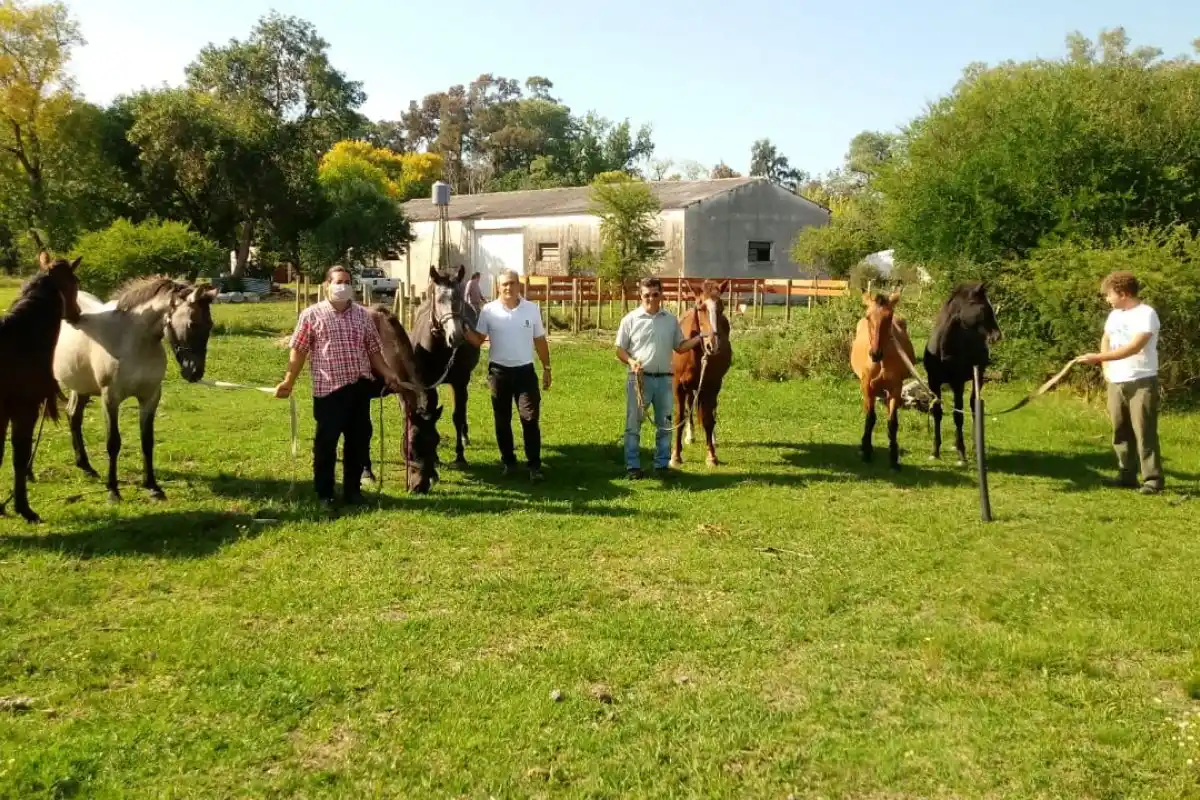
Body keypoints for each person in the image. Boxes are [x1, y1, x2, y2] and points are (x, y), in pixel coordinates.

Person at [276, 266, 403, 510]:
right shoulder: (311, 315)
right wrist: (289, 381)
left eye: (347, 281)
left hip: (359, 388)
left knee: (358, 442)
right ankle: (325, 493)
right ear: (327, 285)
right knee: (326, 443)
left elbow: (373, 351)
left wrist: (388, 373)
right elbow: (299, 350)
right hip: (329, 391)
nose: (343, 286)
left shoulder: (362, 316)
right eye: (338, 281)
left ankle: (353, 491)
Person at [1077, 270, 1163, 495]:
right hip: (1116, 381)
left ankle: (1152, 480)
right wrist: (1106, 367)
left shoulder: (1146, 314)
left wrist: (1098, 358)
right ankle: (1126, 476)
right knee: (1120, 430)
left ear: (1123, 293)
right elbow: (1106, 338)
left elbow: (1134, 347)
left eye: (1109, 294)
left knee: (1144, 431)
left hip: (1141, 380)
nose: (1107, 299)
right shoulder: (1115, 315)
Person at [615, 276, 711, 479]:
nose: (651, 299)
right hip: (639, 380)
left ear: (661, 295)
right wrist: (631, 362)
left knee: (665, 425)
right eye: (646, 295)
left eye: (655, 294)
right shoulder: (630, 319)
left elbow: (680, 346)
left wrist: (699, 339)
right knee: (633, 425)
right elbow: (619, 349)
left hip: (665, 380)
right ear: (640, 296)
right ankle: (632, 467)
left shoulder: (670, 320)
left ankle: (662, 465)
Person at [462, 268, 551, 482]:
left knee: (529, 418)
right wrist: (462, 328)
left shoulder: (531, 309)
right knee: (502, 421)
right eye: (504, 284)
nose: (508, 287)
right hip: (499, 373)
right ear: (498, 287)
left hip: (525, 372)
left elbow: (539, 340)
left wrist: (547, 368)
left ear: (519, 286)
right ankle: (509, 463)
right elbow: (478, 340)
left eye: (512, 283)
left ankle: (534, 466)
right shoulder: (489, 311)